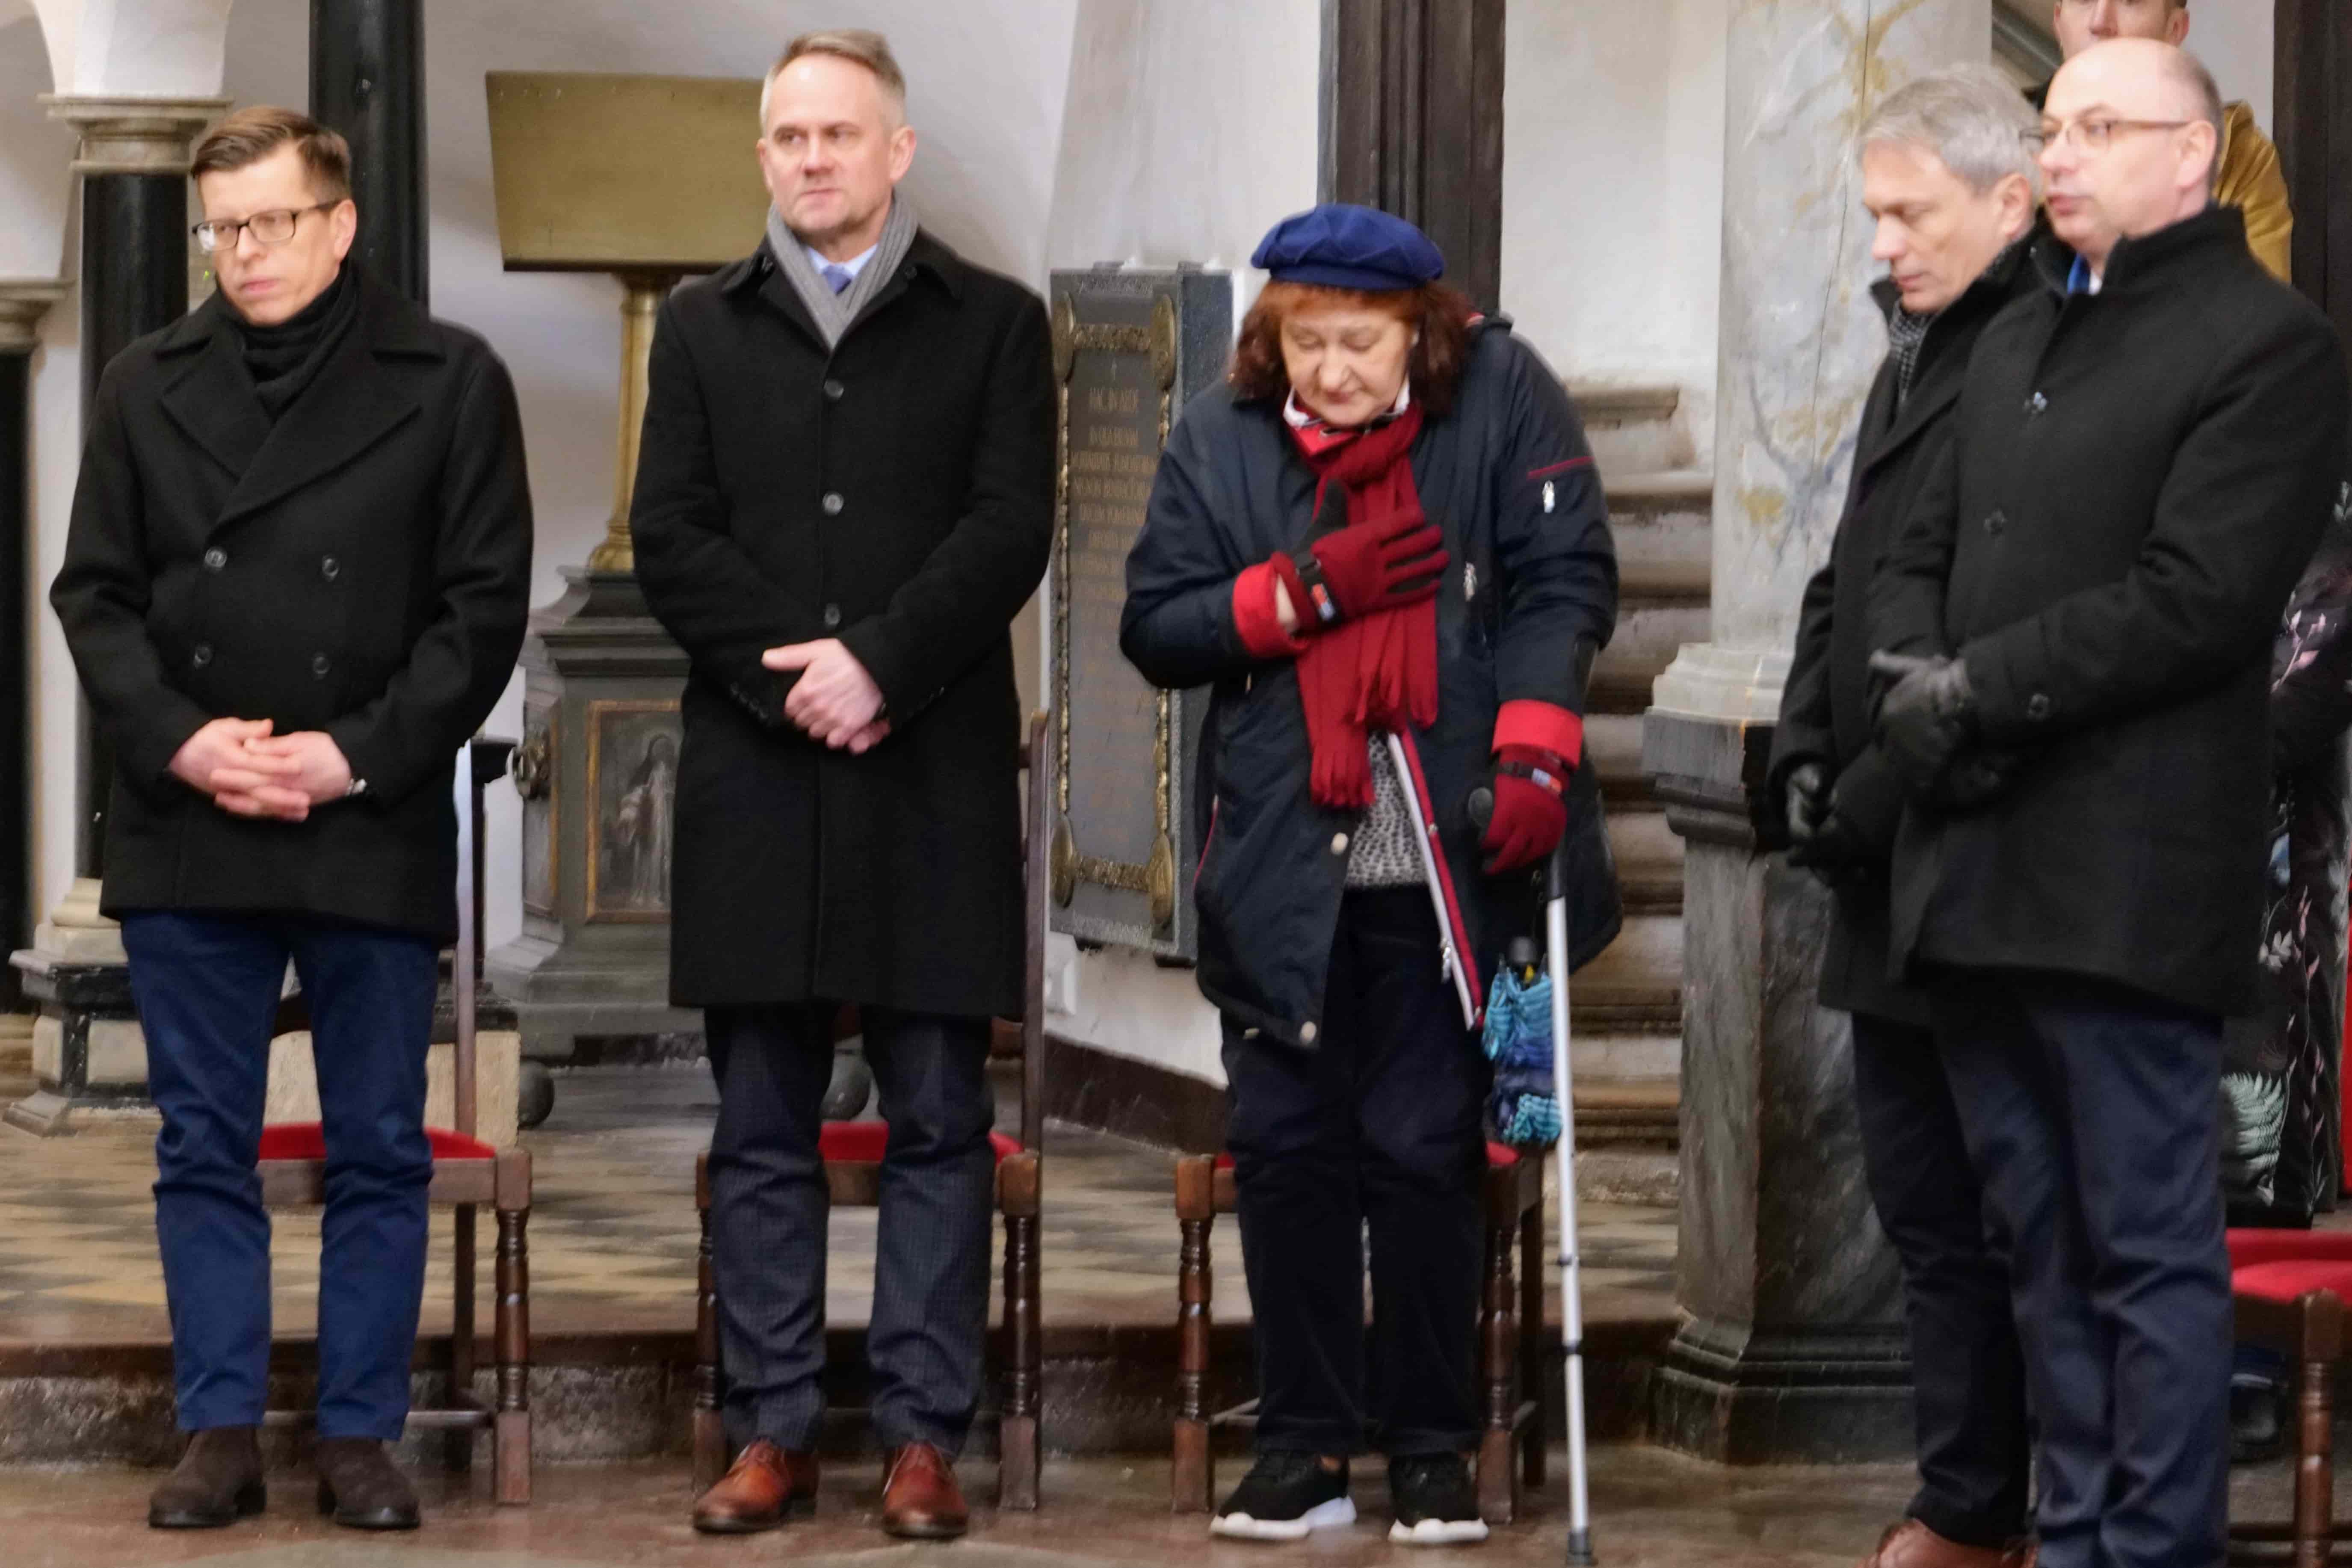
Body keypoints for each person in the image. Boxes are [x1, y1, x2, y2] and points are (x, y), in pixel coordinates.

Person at [1866, 39, 2349, 1568]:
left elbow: (2196, 602)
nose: (2056, 154)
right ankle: (2070, 1532)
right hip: (1975, 861)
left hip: (2125, 872)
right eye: (2050, 127)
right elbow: (1919, 547)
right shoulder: (2013, 329)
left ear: (2189, 155)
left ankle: (2151, 1548)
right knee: (2033, 1245)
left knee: (2141, 1249)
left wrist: (1976, 692)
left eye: (2095, 128)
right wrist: (1908, 688)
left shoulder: (2268, 345)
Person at [49, 107, 534, 1531]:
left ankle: (359, 1434)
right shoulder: (146, 382)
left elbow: (480, 609)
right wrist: (185, 741)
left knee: (378, 1140)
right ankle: (218, 1430)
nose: (243, 253)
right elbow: (95, 596)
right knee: (201, 1142)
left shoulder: (449, 379)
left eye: (269, 222)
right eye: (222, 229)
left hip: (362, 810)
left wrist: (352, 756)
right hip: (188, 813)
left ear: (340, 221)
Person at [1121, 204, 1619, 1547]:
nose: (1331, 370)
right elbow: (1155, 622)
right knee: (1286, 1153)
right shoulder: (1220, 439)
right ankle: (1303, 1447)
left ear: (1421, 333)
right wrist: (1293, 594)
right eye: (1306, 343)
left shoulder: (1503, 398)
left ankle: (1433, 1448)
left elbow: (1564, 577)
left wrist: (1535, 745)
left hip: (1451, 858)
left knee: (1419, 1150)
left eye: (1359, 342)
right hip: (1281, 856)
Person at [630, 29, 1053, 1540]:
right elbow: (669, 534)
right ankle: (773, 1428)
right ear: (765, 156)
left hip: (928, 770)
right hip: (758, 775)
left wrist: (877, 662)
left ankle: (924, 1435)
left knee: (939, 1113)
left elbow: (1009, 528)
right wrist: (793, 675)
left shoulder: (994, 323)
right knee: (761, 1121)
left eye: (839, 133)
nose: (813, 157)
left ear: (897, 150)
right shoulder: (700, 325)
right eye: (790, 136)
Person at [1765, 65, 2047, 1568]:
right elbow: (1851, 562)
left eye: (1908, 212)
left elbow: (1994, 604)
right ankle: (1964, 1502)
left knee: (2018, 1219)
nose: (1880, 243)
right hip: (1880, 858)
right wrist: (1801, 747)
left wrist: (1874, 783)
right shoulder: (1914, 346)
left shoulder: (2036, 349)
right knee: (1925, 1214)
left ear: (2009, 202)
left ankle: (2034, 1510)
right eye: (1873, 212)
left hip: (1977, 847)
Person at [2033, 0, 2291, 281]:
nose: (2099, 22)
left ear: (2174, 29)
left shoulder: (2234, 153)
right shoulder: (2012, 139)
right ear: (2058, 20)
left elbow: (2253, 302)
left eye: (2130, 1)